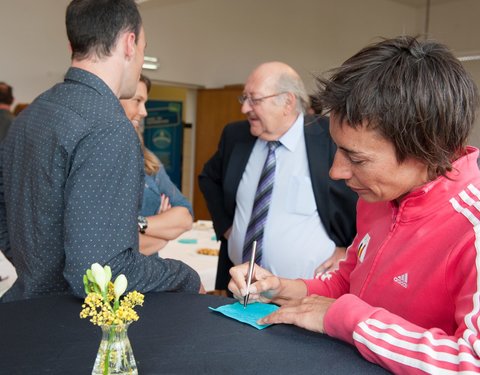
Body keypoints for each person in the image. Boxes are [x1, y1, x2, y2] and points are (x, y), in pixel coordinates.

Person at [229, 36, 480, 374]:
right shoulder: (377, 197)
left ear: (425, 150)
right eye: (338, 149)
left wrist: (348, 319)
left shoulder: (472, 226)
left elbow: (470, 362)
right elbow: (351, 283)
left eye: (356, 158)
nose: (336, 172)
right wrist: (283, 288)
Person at [0, 0, 202, 303]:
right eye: (145, 49)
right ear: (129, 43)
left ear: (74, 44)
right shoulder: (109, 126)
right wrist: (184, 276)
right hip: (74, 327)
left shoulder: (34, 112)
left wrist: (40, 271)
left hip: (25, 311)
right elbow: (100, 271)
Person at [199, 61, 357, 292]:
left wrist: (351, 249)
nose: (245, 109)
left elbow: (368, 198)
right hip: (238, 288)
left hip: (306, 294)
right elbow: (208, 178)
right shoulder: (236, 136)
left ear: (288, 102)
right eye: (244, 99)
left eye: (255, 99)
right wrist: (227, 228)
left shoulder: (330, 138)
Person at [120, 74, 194, 255]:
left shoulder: (147, 159)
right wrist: (163, 228)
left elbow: (185, 217)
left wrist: (141, 224)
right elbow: (115, 247)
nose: (144, 112)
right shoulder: (94, 156)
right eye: (137, 100)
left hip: (150, 273)